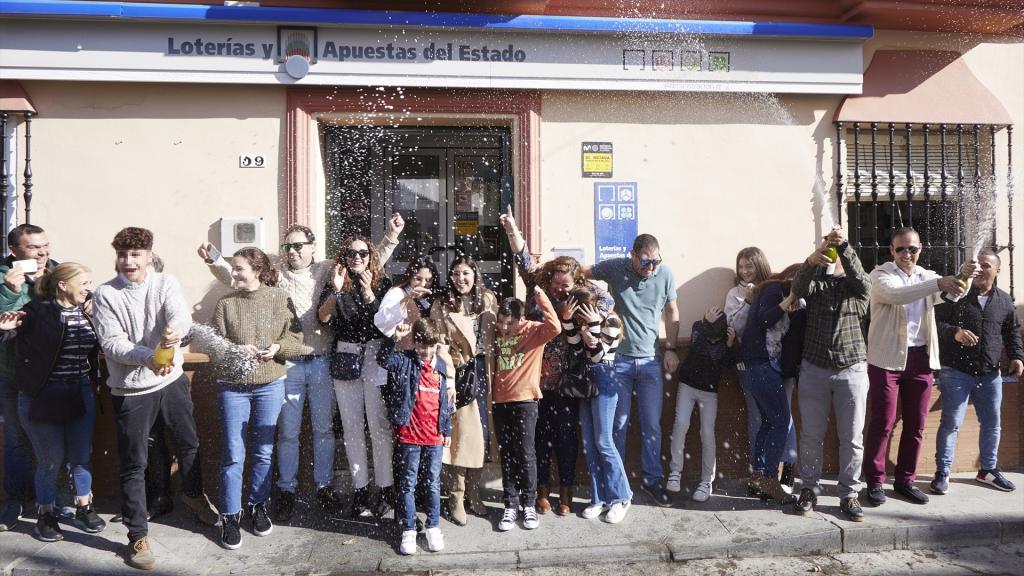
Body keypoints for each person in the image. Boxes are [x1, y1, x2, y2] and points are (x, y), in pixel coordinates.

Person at [199, 215, 403, 520]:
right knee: (288, 431)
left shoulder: (326, 270)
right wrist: (215, 258)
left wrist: (390, 237)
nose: (292, 251)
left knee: (323, 430)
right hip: (287, 364)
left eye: (298, 245)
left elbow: (368, 261)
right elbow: (237, 276)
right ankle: (287, 488)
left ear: (312, 247)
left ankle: (323, 487)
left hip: (321, 361)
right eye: (287, 246)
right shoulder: (276, 273)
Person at [93, 227, 219, 571]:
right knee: (134, 464)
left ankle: (193, 495)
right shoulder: (105, 293)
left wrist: (174, 332)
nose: (128, 261)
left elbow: (178, 314)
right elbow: (112, 343)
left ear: (149, 255)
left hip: (172, 381)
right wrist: (149, 356)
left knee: (188, 442)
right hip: (131, 389)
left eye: (136, 254)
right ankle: (137, 536)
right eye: (122, 254)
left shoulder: (165, 283)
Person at [499, 206, 615, 516]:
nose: (559, 288)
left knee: (566, 438)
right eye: (556, 283)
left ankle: (566, 491)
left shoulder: (584, 294)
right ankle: (542, 491)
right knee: (540, 438)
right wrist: (512, 229)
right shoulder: (539, 286)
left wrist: (594, 316)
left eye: (565, 284)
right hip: (536, 378)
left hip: (569, 380)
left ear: (576, 282)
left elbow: (607, 301)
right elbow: (523, 260)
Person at [863, 227, 972, 506]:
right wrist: (940, 284)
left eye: (912, 249)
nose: (907, 254)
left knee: (916, 425)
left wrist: (965, 277)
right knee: (882, 423)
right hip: (885, 360)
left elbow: (954, 294)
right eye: (901, 249)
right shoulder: (880, 275)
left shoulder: (928, 276)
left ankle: (905, 481)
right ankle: (875, 481)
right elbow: (898, 295)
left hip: (921, 358)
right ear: (892, 250)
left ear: (920, 249)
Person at [0, 263, 105, 541]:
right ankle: (46, 515)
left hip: (80, 391)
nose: (88, 288)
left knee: (82, 456)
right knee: (50, 460)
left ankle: (84, 507)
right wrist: (5, 328)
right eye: (83, 282)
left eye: (89, 282)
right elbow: (11, 335)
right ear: (62, 284)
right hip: (43, 395)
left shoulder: (89, 311)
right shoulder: (38, 310)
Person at [211, 247, 305, 550]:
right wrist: (233, 351)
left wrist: (277, 348)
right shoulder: (225, 303)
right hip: (232, 386)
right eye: (233, 268)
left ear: (257, 271)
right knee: (233, 452)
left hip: (270, 384)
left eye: (238, 269)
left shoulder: (279, 298)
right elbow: (214, 345)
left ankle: (258, 504)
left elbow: (295, 338)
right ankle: (230, 513)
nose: (233, 274)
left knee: (263, 449)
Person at [588, 234, 679, 507]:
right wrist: (597, 305)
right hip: (618, 362)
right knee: (619, 425)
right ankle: (618, 485)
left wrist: (672, 347)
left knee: (652, 426)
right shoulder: (615, 268)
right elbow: (580, 274)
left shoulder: (665, 275)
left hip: (651, 361)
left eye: (656, 261)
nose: (651, 268)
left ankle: (652, 481)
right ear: (633, 255)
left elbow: (672, 311)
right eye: (645, 262)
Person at [790, 229, 871, 521]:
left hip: (852, 370)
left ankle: (849, 494)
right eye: (828, 249)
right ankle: (809, 489)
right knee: (811, 436)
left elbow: (860, 278)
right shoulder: (816, 285)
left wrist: (844, 245)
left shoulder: (859, 287)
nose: (830, 253)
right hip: (814, 368)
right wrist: (811, 260)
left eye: (833, 250)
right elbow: (797, 290)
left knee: (852, 438)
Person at [932, 249, 1023, 495]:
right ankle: (943, 471)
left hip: (990, 373)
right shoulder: (956, 295)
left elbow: (1011, 331)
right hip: (956, 371)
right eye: (977, 265)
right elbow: (936, 323)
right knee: (951, 423)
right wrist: (955, 332)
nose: (980, 270)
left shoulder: (1004, 300)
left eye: (986, 265)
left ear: (997, 270)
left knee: (992, 424)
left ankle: (987, 470)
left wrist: (1017, 356)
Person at [318, 235, 396, 519]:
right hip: (346, 356)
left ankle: (386, 489)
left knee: (379, 426)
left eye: (363, 253)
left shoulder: (383, 283)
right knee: (352, 430)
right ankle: (361, 490)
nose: (357, 258)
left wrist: (371, 297)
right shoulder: (337, 282)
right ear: (344, 257)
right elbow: (323, 318)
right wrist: (336, 292)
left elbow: (388, 326)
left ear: (371, 256)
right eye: (351, 253)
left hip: (376, 357)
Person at [429, 255, 497, 526]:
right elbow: (437, 343)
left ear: (475, 274)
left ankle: (474, 491)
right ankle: (456, 495)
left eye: (466, 273)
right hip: (459, 378)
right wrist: (453, 364)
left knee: (481, 438)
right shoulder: (442, 304)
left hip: (486, 375)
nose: (461, 279)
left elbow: (497, 335)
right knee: (460, 439)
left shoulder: (488, 299)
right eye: (456, 274)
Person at [0, 224, 58, 530]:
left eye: (45, 245)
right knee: (15, 440)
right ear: (14, 251)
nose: (42, 252)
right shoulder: (2, 278)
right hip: (12, 374)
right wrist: (10, 294)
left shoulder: (59, 274)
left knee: (56, 439)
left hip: (53, 375)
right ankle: (16, 500)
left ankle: (53, 503)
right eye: (34, 247)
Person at [377, 319, 452, 555]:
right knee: (407, 484)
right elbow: (383, 359)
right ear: (414, 342)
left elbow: (446, 403)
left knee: (432, 483)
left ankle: (433, 526)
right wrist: (394, 338)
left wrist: (446, 429)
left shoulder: (441, 367)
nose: (426, 352)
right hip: (410, 435)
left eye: (430, 347)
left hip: (434, 438)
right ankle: (408, 529)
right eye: (421, 346)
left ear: (436, 344)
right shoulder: (405, 360)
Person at [492, 288, 560, 532]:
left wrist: (542, 297)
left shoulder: (533, 331)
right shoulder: (496, 334)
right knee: (507, 454)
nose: (504, 327)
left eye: (510, 322)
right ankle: (510, 504)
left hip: (526, 402)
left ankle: (528, 504)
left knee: (526, 453)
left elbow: (556, 327)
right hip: (500, 402)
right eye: (501, 322)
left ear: (521, 319)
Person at [569, 289, 632, 523]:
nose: (581, 314)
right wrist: (569, 321)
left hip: (605, 382)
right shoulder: (584, 323)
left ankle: (621, 497)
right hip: (586, 384)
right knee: (590, 443)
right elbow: (576, 349)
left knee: (604, 441)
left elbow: (598, 357)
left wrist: (594, 327)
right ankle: (599, 498)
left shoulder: (612, 322)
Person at [737, 268, 799, 504]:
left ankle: (759, 475)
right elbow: (765, 319)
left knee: (767, 422)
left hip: (755, 368)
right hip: (760, 367)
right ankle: (771, 479)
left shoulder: (770, 292)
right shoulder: (774, 289)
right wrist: (789, 300)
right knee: (781, 422)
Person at [666, 306, 736, 503]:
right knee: (681, 423)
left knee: (707, 432)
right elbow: (696, 349)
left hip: (709, 392)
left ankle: (706, 480)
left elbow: (726, 364)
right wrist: (705, 323)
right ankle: (675, 472)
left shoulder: (724, 339)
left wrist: (730, 344)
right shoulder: (699, 327)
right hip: (687, 385)